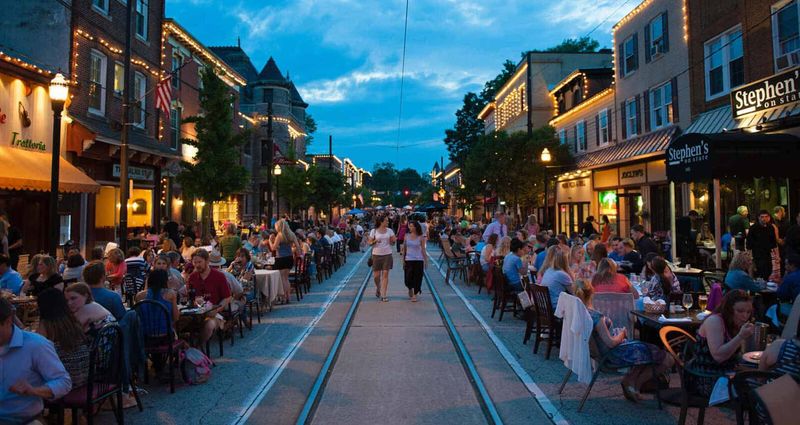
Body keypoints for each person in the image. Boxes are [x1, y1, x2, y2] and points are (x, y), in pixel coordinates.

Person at [572, 279, 673, 401]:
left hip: (606, 353)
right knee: (666, 359)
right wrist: (622, 333)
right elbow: (611, 343)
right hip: (613, 355)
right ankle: (634, 384)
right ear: (592, 293)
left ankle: (631, 383)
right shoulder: (595, 317)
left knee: (648, 350)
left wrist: (616, 333)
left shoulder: (581, 314)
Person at [0, 297, 72, 423]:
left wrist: (34, 390)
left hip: (23, 419)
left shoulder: (35, 345)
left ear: (8, 321)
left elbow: (63, 382)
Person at [688, 290, 754, 397]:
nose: (745, 316)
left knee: (766, 382)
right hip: (708, 378)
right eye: (740, 311)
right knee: (758, 390)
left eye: (748, 312)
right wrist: (740, 336)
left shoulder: (734, 324)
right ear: (729, 309)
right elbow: (718, 356)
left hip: (727, 372)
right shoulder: (715, 321)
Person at [36, 288, 90, 389]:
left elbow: (35, 347)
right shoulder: (73, 322)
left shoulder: (47, 326)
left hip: (64, 382)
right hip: (85, 377)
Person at [187, 249, 232, 346]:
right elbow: (189, 297)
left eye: (200, 262)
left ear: (207, 261)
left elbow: (227, 297)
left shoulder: (219, 276)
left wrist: (218, 308)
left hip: (215, 313)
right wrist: (194, 301)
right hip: (196, 313)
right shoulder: (192, 277)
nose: (197, 265)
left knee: (209, 325)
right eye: (195, 262)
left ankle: (198, 347)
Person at [269, 219, 301, 304]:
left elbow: (273, 248)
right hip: (289, 257)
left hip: (281, 258)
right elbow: (297, 246)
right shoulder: (292, 234)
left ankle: (283, 297)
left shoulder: (279, 235)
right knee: (286, 278)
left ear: (279, 227)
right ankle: (288, 297)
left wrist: (269, 241)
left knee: (282, 278)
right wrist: (299, 255)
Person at [368, 214, 396, 302]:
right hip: (376, 254)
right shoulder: (374, 231)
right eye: (386, 221)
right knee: (376, 276)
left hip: (387, 254)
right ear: (381, 222)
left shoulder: (390, 231)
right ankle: (378, 287)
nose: (388, 222)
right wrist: (375, 241)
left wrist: (393, 241)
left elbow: (393, 243)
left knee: (385, 274)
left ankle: (384, 294)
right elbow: (369, 243)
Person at [746, 210, 778, 280]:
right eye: (762, 217)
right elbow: (749, 243)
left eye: (766, 217)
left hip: (767, 253)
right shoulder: (753, 228)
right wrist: (750, 257)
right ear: (758, 218)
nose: (764, 218)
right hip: (757, 253)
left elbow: (774, 242)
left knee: (769, 270)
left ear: (769, 217)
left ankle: (764, 285)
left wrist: (777, 256)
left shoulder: (770, 227)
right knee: (760, 271)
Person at [402, 221, 427, 302]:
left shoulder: (421, 237)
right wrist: (403, 259)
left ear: (416, 227)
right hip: (409, 259)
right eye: (410, 226)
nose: (411, 228)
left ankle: (415, 294)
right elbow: (404, 249)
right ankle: (410, 288)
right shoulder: (406, 236)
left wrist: (426, 261)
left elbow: (423, 249)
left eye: (412, 226)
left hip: (419, 259)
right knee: (408, 278)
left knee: (417, 278)